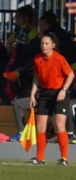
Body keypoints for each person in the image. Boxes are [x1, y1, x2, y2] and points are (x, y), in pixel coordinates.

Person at [27, 31, 74, 166]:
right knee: (41, 126)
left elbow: (70, 75)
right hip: (45, 93)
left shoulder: (59, 58)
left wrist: (64, 90)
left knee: (59, 124)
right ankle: (39, 158)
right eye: (42, 43)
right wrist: (32, 95)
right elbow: (36, 78)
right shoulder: (37, 59)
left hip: (59, 93)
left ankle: (64, 158)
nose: (43, 45)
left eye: (46, 43)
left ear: (53, 45)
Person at [3, 5, 39, 102]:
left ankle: (20, 95)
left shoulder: (33, 32)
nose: (15, 20)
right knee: (5, 70)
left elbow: (32, 51)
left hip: (27, 61)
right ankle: (10, 95)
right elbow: (10, 41)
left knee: (17, 72)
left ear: (26, 18)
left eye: (18, 17)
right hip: (17, 59)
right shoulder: (18, 29)